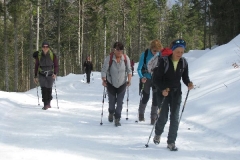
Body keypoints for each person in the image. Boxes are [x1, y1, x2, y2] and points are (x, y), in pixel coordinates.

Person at [153, 39, 194, 151]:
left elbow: (185, 77)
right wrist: (162, 90)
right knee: (163, 117)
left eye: (182, 52)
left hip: (176, 93)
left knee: (175, 118)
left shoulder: (183, 62)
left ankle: (171, 142)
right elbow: (156, 79)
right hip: (164, 93)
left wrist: (189, 83)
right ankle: (158, 132)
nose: (180, 54)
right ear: (173, 50)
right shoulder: (164, 61)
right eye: (178, 51)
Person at [101, 42, 132, 127]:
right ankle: (111, 112)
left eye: (121, 50)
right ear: (114, 50)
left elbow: (129, 70)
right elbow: (104, 71)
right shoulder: (109, 58)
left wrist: (129, 80)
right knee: (112, 102)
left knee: (119, 102)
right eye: (117, 49)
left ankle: (117, 118)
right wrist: (104, 80)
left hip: (122, 83)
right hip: (111, 83)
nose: (119, 52)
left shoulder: (126, 58)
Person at [137, 39, 163, 125]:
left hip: (156, 79)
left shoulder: (160, 55)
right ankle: (141, 114)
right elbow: (139, 68)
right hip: (147, 78)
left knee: (156, 98)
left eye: (157, 50)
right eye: (154, 50)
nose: (155, 52)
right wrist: (142, 77)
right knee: (146, 97)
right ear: (151, 48)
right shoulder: (144, 55)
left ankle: (153, 117)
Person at [33, 41, 59, 110]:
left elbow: (56, 65)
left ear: (49, 47)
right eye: (44, 47)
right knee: (43, 88)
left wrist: (55, 73)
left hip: (50, 74)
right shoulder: (39, 56)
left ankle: (48, 102)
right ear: (42, 47)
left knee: (49, 88)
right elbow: (36, 66)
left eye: (47, 46)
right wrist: (35, 76)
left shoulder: (52, 55)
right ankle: (45, 104)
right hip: (42, 74)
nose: (45, 48)